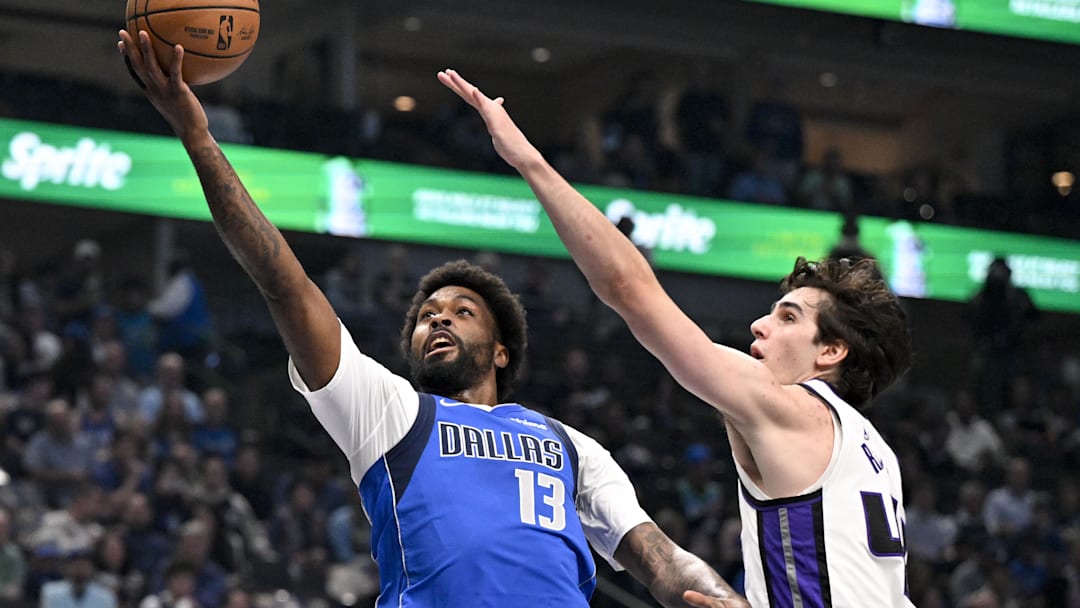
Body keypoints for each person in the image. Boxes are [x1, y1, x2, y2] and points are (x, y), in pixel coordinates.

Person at [117, 31, 746, 608]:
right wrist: (198, 138)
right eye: (426, 315)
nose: (437, 320)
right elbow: (284, 283)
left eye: (461, 312)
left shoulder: (570, 446)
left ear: (501, 351)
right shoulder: (389, 412)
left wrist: (720, 598)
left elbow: (661, 559)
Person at [439, 68, 915, 607]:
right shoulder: (876, 454)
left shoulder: (792, 407)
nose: (759, 326)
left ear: (830, 352)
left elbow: (628, 288)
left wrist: (529, 161)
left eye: (787, 318)